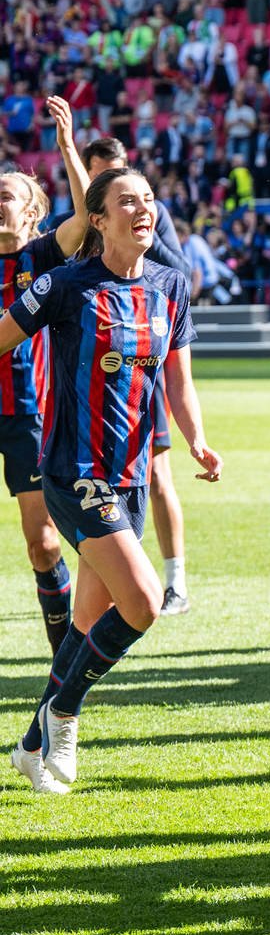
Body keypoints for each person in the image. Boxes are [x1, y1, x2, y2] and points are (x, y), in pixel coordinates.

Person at [5, 166, 220, 796]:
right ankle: (64, 715)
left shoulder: (170, 285)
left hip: (129, 479)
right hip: (73, 474)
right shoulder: (64, 284)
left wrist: (196, 438)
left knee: (84, 625)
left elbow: (177, 377)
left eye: (150, 199)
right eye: (127, 200)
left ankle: (29, 746)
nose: (143, 209)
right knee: (144, 603)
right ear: (98, 219)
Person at [49, 111, 194, 617]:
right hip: (81, 430)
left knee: (158, 480)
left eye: (143, 196)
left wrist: (142, 266)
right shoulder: (72, 271)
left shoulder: (155, 239)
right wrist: (66, 146)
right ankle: (63, 692)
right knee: (116, 584)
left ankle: (177, 579)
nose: (139, 207)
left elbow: (178, 270)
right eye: (105, 179)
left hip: (144, 382)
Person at [0, 168, 90, 661]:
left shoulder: (40, 257)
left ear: (31, 212)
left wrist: (68, 149)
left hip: (26, 418)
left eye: (6, 196)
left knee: (43, 544)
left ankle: (63, 663)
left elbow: (82, 218)